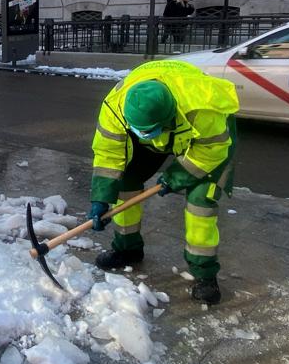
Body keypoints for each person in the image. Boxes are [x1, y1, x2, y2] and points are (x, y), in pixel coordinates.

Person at [87, 60, 240, 304]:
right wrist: (100, 198)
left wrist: (176, 176)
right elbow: (108, 154)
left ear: (169, 118)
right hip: (155, 127)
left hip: (205, 143)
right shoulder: (115, 107)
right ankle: (128, 249)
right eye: (141, 130)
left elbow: (212, 150)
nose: (145, 134)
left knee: (202, 203)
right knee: (124, 182)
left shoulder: (201, 108)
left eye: (150, 130)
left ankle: (205, 274)